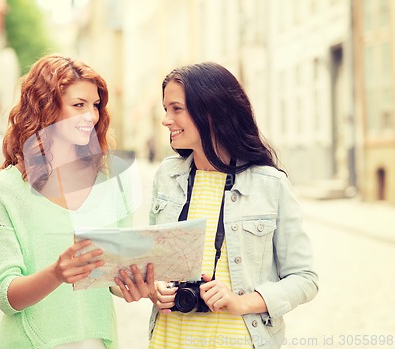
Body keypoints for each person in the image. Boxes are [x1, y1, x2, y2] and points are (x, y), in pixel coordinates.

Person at [121, 62, 319, 349]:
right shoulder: (167, 176)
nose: (166, 120)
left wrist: (241, 302)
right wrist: (155, 288)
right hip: (167, 340)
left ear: (211, 112)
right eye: (166, 109)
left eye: (176, 109)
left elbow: (304, 279)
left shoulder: (269, 184)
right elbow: (152, 263)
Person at [0, 55, 141, 349]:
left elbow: (113, 274)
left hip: (97, 340)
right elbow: (7, 296)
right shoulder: (4, 190)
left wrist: (139, 284)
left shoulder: (112, 181)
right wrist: (57, 272)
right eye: (78, 105)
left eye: (95, 106)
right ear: (45, 107)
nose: (91, 116)